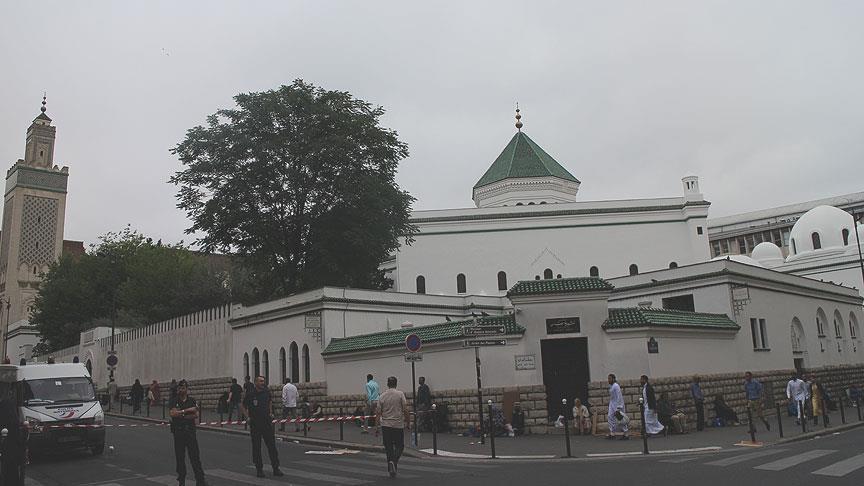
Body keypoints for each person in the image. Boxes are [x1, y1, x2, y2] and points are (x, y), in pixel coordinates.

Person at [241, 376, 283, 478]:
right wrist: (247, 417)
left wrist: (271, 412)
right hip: (255, 423)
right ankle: (259, 469)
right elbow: (242, 406)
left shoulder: (266, 392)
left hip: (267, 423)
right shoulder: (250, 394)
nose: (262, 383)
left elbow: (270, 401)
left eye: (263, 381)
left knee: (272, 446)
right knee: (257, 447)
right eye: (260, 381)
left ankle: (276, 468)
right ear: (255, 383)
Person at [169, 380, 208, 486]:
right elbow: (172, 414)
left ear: (187, 389)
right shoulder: (173, 400)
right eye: (180, 387)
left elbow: (195, 415)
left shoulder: (191, 400)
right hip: (178, 432)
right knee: (180, 458)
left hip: (190, 431)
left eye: (184, 387)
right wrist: (186, 412)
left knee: (195, 457)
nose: (182, 389)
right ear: (178, 389)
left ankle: (200, 480)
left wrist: (181, 413)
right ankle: (181, 480)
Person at [377, 376, 410, 478]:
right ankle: (394, 461)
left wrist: (377, 427)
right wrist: (408, 422)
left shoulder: (382, 396)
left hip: (386, 425)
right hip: (398, 424)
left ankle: (391, 467)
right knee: (400, 446)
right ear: (396, 383)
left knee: (389, 447)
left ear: (387, 384)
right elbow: (405, 409)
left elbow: (378, 413)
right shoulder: (400, 394)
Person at [607, 374, 628, 439]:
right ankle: (612, 433)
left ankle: (626, 434)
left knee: (621, 419)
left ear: (613, 379)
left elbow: (619, 396)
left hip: (617, 405)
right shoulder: (611, 386)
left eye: (610, 379)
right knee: (610, 417)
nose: (608, 380)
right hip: (612, 404)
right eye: (608, 379)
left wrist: (619, 407)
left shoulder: (616, 386)